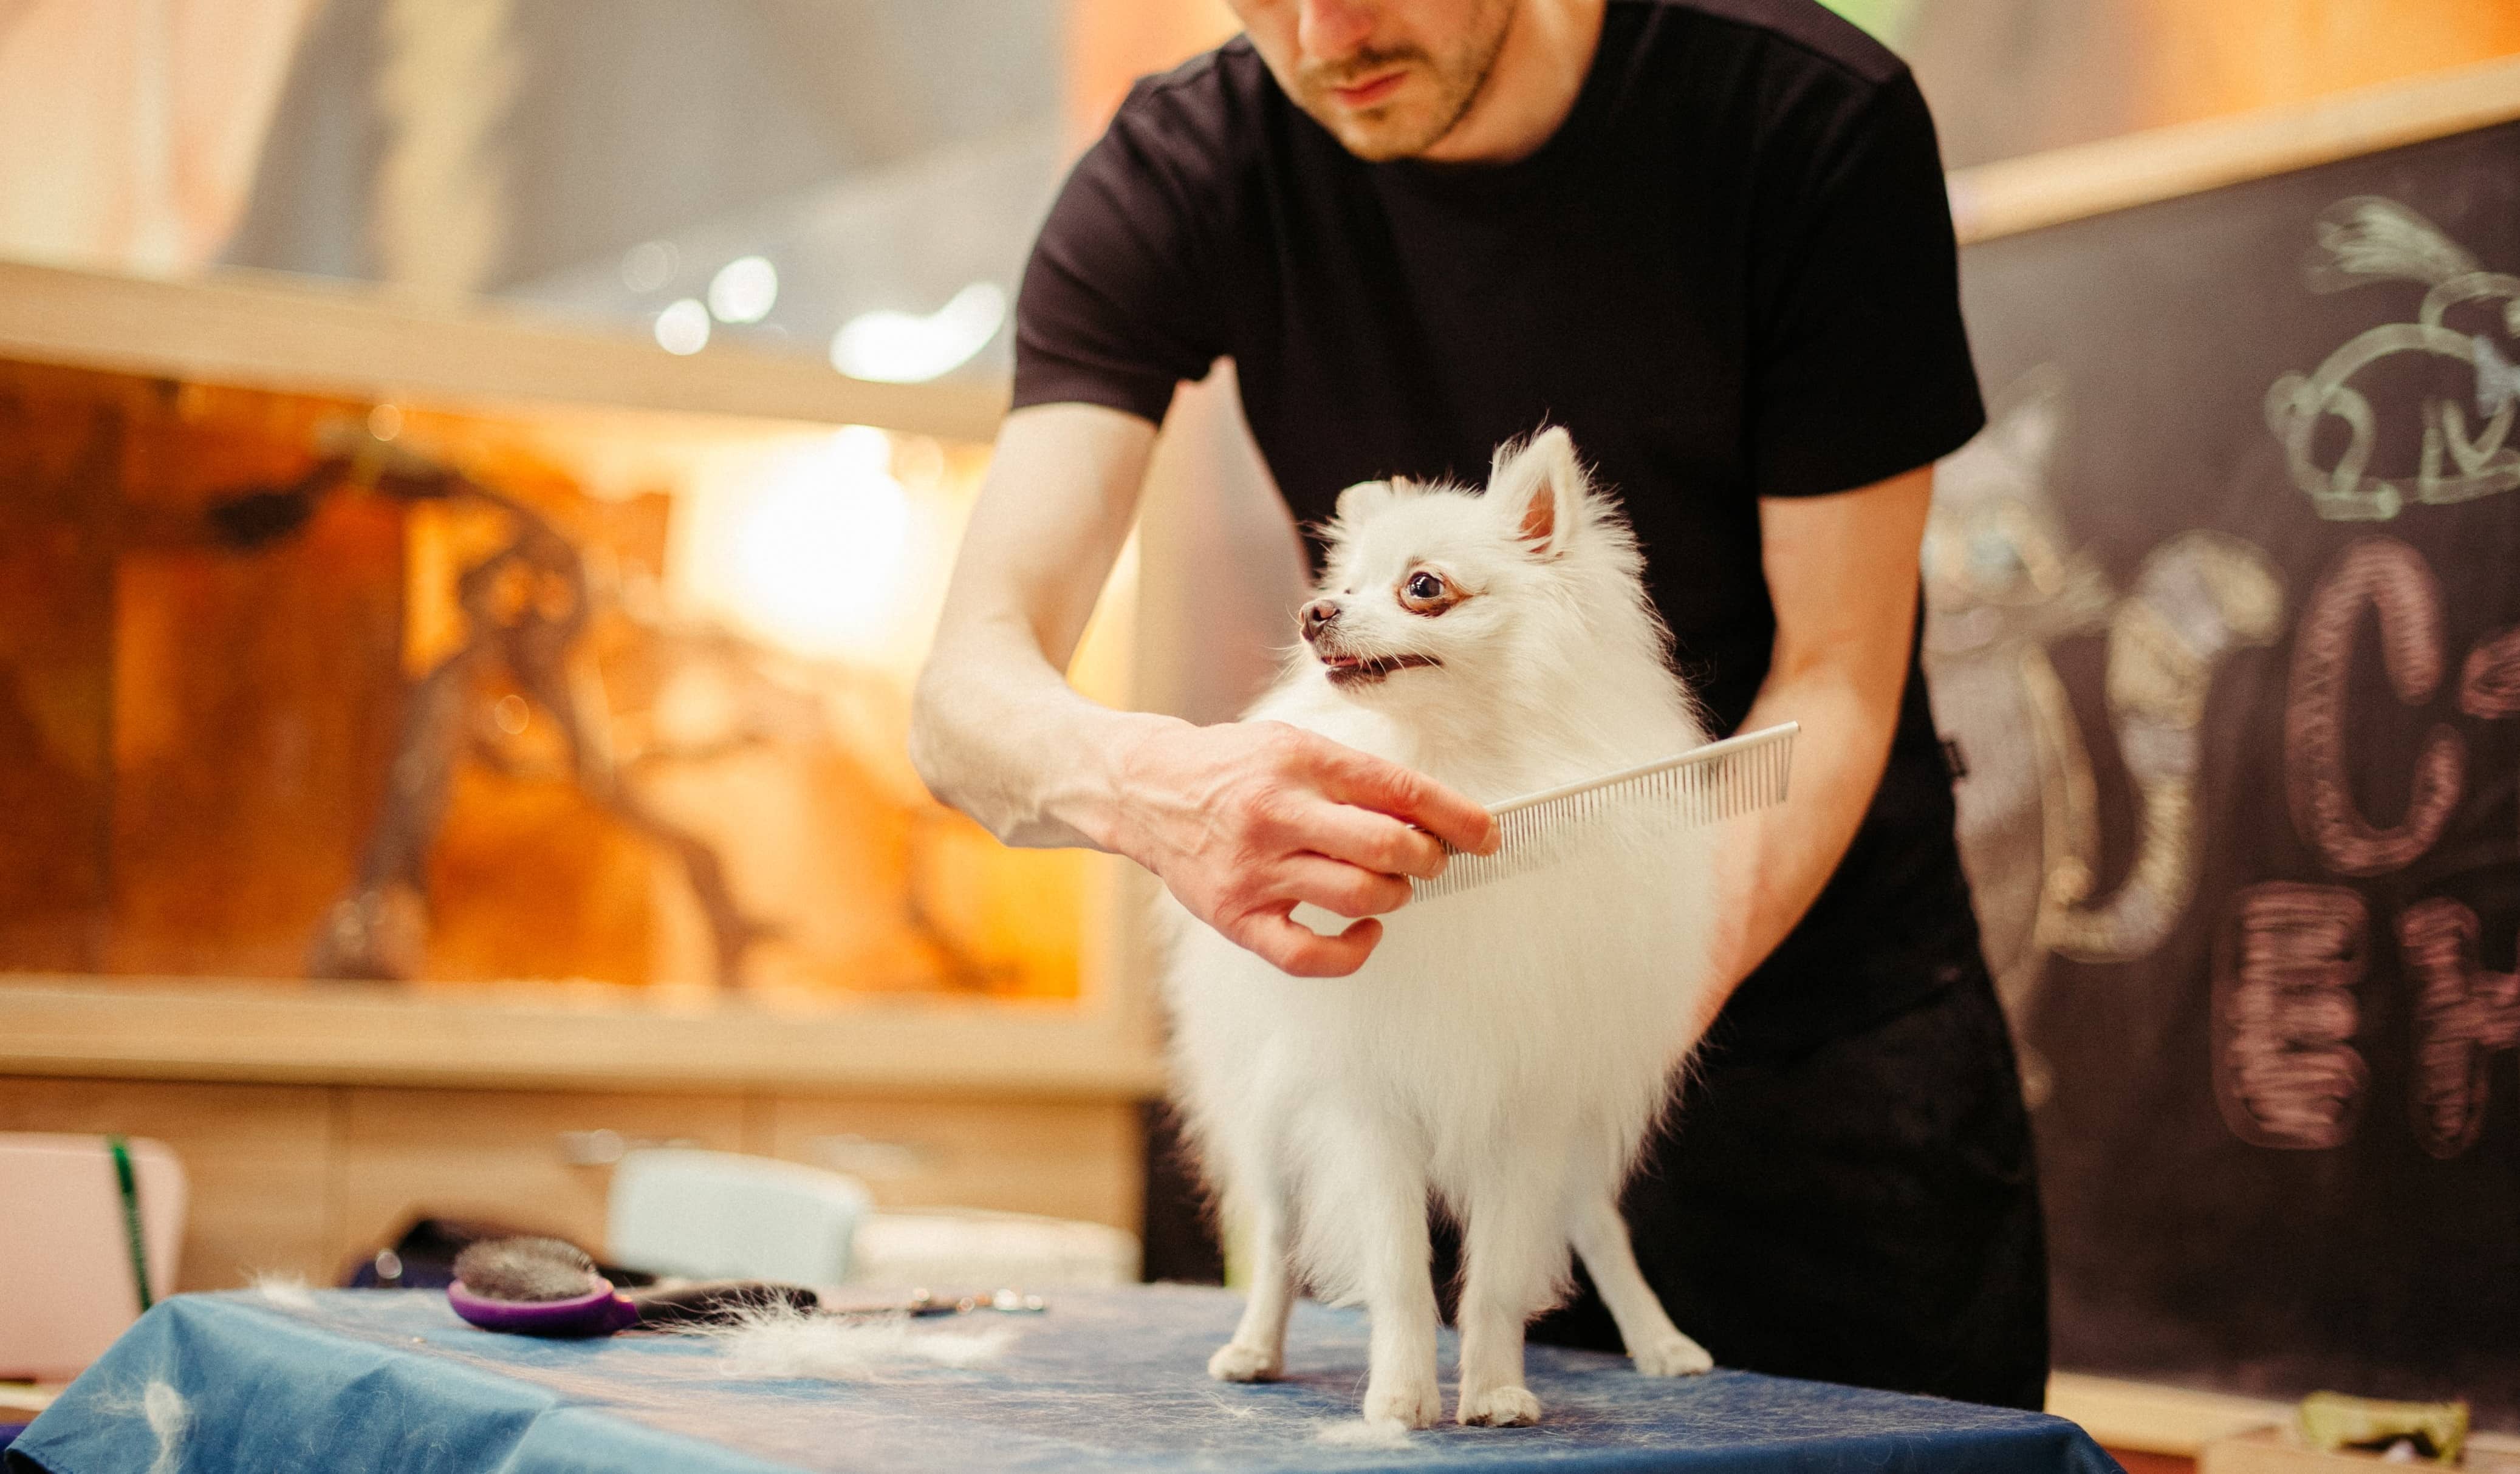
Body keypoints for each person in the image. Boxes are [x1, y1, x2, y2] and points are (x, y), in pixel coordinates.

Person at [910, 0, 2046, 1409]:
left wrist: (1599, 1002)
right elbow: (967, 688)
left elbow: (1836, 669)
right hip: (1415, 1004)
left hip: (1808, 1030)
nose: (1327, 33)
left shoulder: (1803, 117)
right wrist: (1157, 788)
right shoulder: (1185, 166)